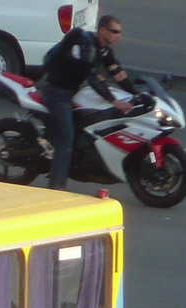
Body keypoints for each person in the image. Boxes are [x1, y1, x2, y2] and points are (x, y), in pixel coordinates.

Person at [39, 15, 135, 190]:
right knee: (66, 137)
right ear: (102, 30)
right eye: (114, 31)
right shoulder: (88, 46)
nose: (118, 36)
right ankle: (56, 186)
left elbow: (117, 72)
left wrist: (137, 93)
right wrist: (114, 101)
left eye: (119, 32)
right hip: (57, 93)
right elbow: (93, 78)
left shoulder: (104, 49)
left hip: (71, 91)